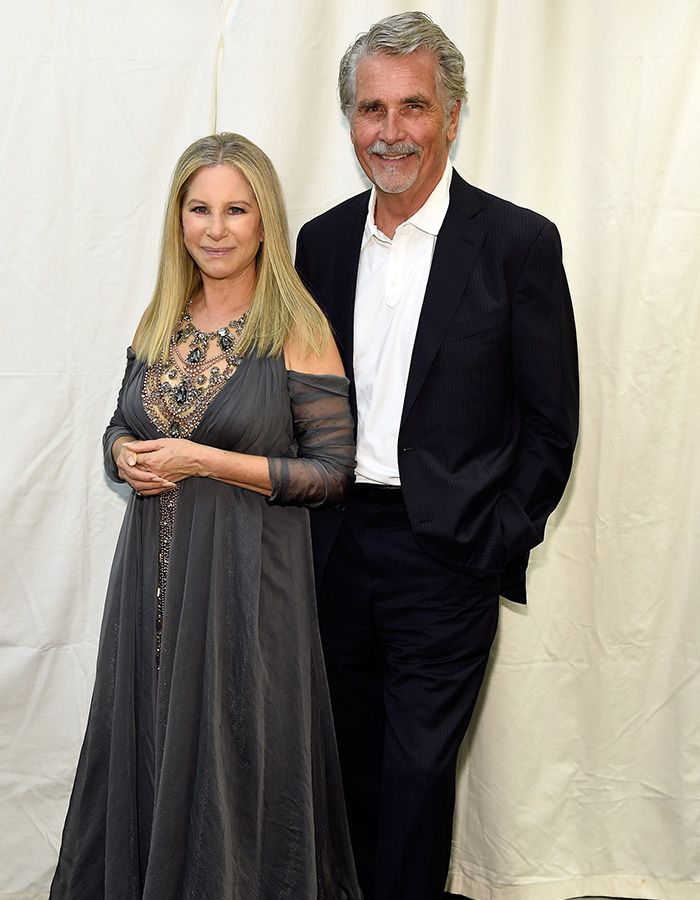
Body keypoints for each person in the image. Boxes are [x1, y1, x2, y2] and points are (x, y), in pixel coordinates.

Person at [295, 12, 579, 900]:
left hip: (445, 554)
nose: (390, 132)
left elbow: (551, 424)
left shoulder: (517, 243)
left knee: (417, 780)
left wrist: (492, 538)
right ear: (349, 121)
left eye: (412, 107)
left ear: (452, 115)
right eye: (371, 109)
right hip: (333, 551)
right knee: (348, 770)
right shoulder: (322, 242)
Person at [49, 132, 361, 900]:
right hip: (148, 594)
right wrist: (121, 452)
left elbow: (330, 474)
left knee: (239, 752)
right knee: (150, 744)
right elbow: (123, 425)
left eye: (235, 209)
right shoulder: (164, 316)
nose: (216, 228)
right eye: (199, 209)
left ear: (264, 221)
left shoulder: (297, 325)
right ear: (178, 218)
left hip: (248, 591)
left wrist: (202, 461)